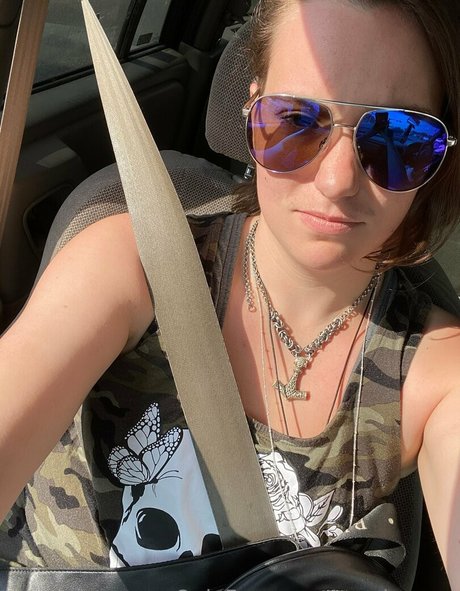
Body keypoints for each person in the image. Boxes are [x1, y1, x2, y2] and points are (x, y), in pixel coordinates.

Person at [0, 0, 459, 588]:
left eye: (398, 137)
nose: (337, 179)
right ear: (252, 112)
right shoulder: (130, 264)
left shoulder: (437, 372)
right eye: (296, 121)